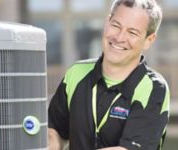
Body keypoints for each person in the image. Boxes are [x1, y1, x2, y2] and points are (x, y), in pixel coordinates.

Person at [48, 0, 170, 149]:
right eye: (116, 25)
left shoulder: (153, 88)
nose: (119, 37)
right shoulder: (76, 73)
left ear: (148, 40)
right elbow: (54, 130)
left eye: (132, 32)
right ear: (107, 22)